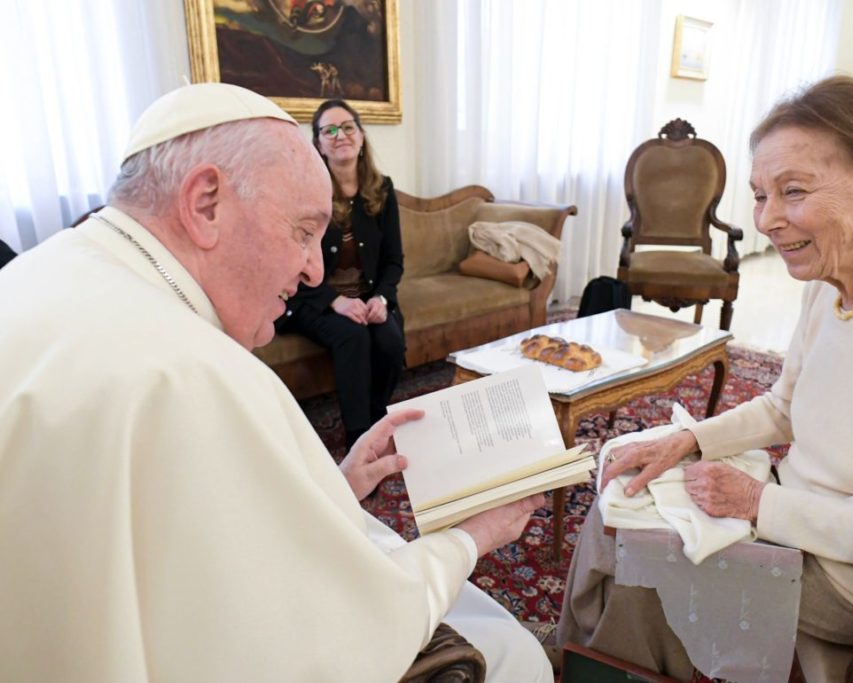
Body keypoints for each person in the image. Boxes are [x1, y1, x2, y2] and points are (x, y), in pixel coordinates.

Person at [0, 83, 553, 682]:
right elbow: (319, 642)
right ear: (206, 203)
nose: (315, 267)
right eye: (303, 230)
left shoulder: (46, 269)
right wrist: (469, 539)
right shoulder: (197, 371)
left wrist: (335, 489)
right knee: (511, 653)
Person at [557, 75, 853, 679]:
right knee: (622, 499)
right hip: (801, 507)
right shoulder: (835, 273)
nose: (769, 220)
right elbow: (785, 406)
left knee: (643, 578)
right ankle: (585, 661)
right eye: (759, 196)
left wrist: (758, 503)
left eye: (793, 191)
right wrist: (691, 440)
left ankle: (606, 662)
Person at [276, 98, 405, 449]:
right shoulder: (303, 195)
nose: (339, 135)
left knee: (391, 342)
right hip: (313, 299)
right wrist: (334, 301)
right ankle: (358, 438)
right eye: (328, 130)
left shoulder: (383, 190)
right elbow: (292, 261)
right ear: (317, 143)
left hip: (369, 296)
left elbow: (394, 260)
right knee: (353, 336)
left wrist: (381, 297)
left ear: (361, 137)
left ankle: (378, 416)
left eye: (347, 127)